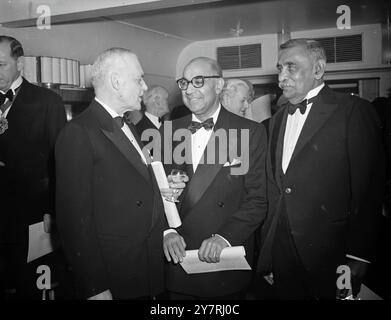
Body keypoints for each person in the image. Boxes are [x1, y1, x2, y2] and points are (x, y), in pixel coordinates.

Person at [256, 39, 385, 300]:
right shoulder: (275, 120)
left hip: (333, 253)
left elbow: (369, 190)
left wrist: (358, 256)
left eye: (291, 68)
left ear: (318, 69)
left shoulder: (353, 111)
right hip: (281, 252)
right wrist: (269, 254)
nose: (282, 77)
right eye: (280, 68)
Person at [55, 48, 166, 300]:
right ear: (116, 82)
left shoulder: (129, 126)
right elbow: (74, 222)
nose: (144, 87)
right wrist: (94, 286)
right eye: (139, 79)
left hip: (144, 266)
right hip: (113, 275)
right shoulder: (79, 132)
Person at [163, 57, 268, 299]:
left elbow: (257, 199)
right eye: (184, 83)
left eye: (198, 81)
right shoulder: (167, 131)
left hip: (224, 262)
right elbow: (154, 193)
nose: (189, 90)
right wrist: (166, 232)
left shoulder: (250, 133)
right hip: (178, 262)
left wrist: (224, 237)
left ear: (219, 85)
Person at [0, 35, 66, 299]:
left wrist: (53, 209)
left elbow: (59, 161)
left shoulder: (48, 102)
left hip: (31, 214)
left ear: (20, 64)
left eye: (1, 64)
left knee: (31, 284)